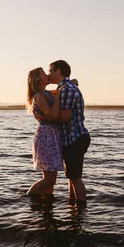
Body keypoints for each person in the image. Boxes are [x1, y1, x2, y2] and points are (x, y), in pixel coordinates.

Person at [36, 60, 90, 204]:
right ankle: (73, 207)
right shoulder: (64, 88)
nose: (49, 74)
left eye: (50, 71)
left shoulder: (67, 89)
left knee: (75, 178)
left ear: (58, 71)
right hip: (71, 139)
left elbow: (65, 117)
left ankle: (80, 209)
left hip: (75, 139)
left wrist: (44, 119)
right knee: (72, 176)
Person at [25, 67, 63, 195]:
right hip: (46, 136)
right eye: (43, 74)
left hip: (52, 135)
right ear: (38, 80)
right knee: (49, 179)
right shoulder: (39, 97)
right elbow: (52, 115)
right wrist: (59, 97)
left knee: (51, 179)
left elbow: (58, 91)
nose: (47, 75)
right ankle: (29, 197)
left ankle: (47, 204)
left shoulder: (46, 93)